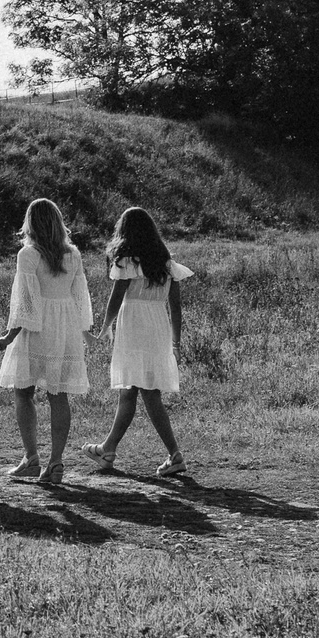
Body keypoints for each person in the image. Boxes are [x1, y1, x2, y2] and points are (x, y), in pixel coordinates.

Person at [87, 205, 193, 479]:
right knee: (132, 389)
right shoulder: (166, 264)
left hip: (133, 326)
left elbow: (115, 299)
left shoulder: (127, 263)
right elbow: (176, 308)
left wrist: (105, 327)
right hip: (157, 327)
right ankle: (108, 449)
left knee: (145, 391)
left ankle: (174, 454)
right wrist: (176, 343)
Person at [0, 197, 90, 486]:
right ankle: (55, 462)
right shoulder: (73, 254)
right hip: (64, 326)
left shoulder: (29, 254)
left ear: (30, 223)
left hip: (36, 328)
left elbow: (26, 302)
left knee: (23, 391)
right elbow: (80, 297)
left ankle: (31, 458)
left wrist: (9, 337)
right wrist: (81, 330)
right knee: (58, 395)